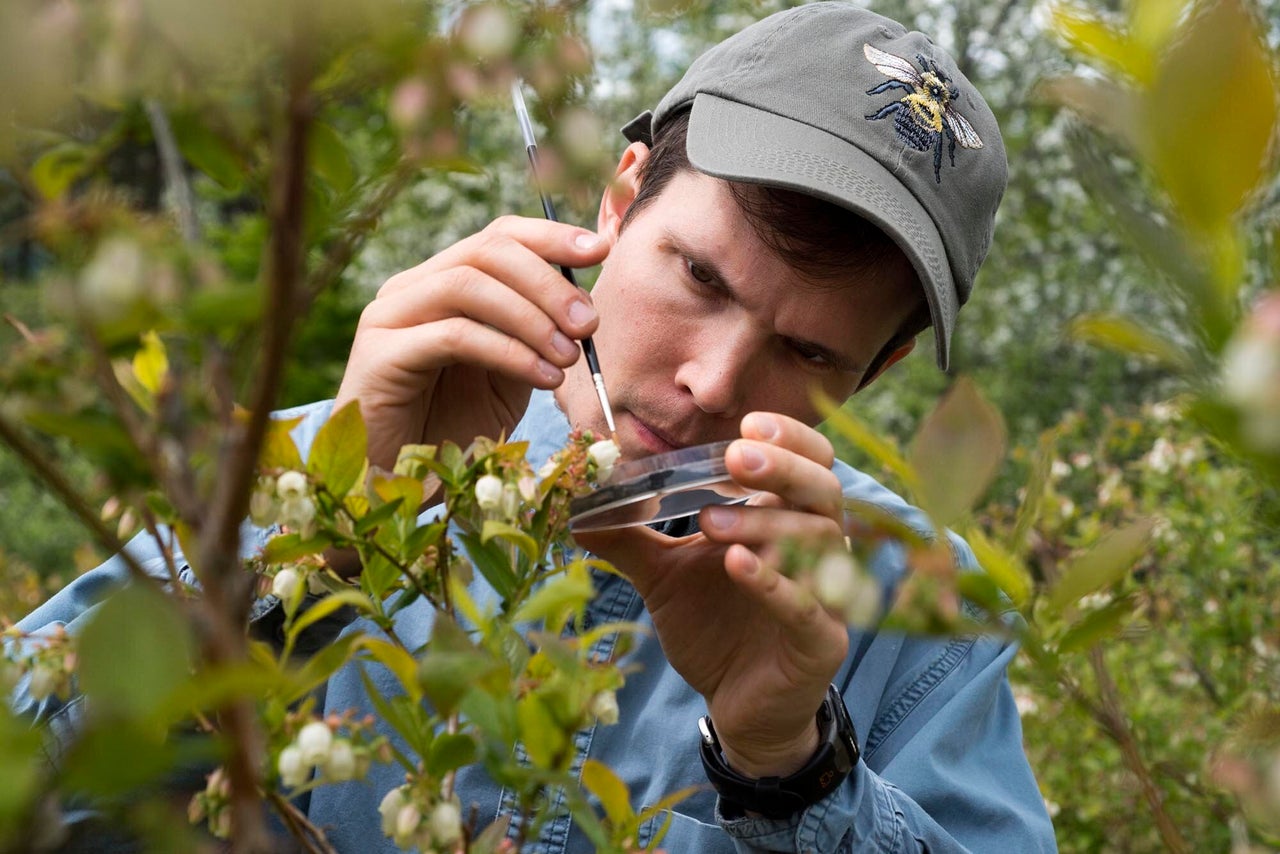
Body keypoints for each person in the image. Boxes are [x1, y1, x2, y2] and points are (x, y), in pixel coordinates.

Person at [16, 3, 1057, 851]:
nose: (707, 381)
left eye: (809, 352)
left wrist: (788, 764)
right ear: (617, 203)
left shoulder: (915, 615)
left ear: (877, 372)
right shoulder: (312, 459)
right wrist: (317, 542)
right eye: (696, 276)